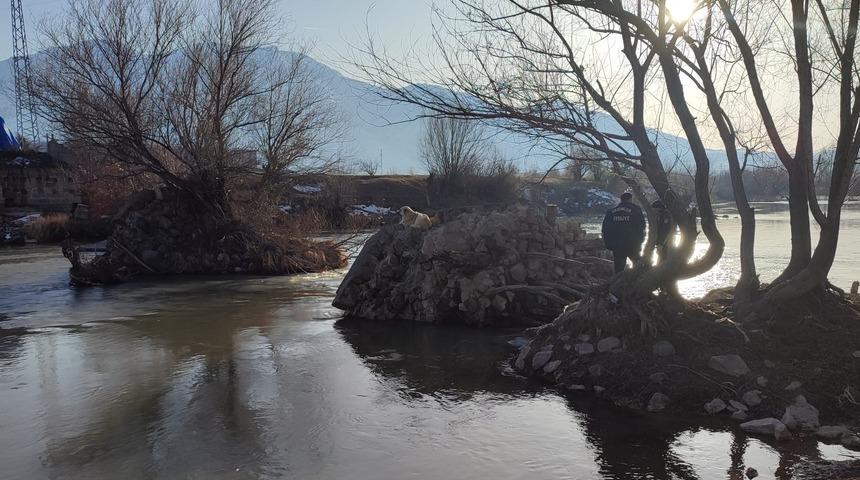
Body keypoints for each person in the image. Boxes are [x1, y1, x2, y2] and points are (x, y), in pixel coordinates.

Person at [602, 192, 646, 273]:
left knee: (619, 267)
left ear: (621, 200)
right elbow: (642, 226)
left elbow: (605, 229)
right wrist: (640, 241)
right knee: (637, 265)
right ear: (631, 200)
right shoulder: (636, 210)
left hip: (617, 245)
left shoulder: (611, 212)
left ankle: (618, 283)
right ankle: (636, 282)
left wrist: (608, 244)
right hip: (633, 243)